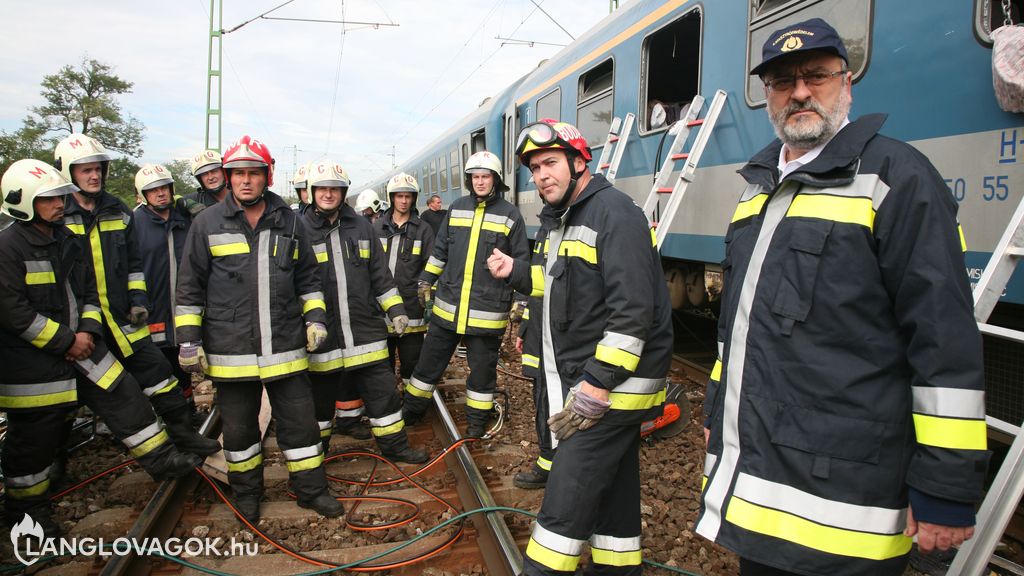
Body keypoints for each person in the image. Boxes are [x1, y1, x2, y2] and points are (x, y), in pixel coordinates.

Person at [696, 19, 989, 576]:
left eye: (817, 76)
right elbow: (738, 327)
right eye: (783, 81)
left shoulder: (897, 179)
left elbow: (943, 339)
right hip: (762, 492)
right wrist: (716, 408)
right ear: (767, 98)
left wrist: (946, 487)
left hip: (848, 505)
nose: (800, 92)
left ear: (847, 84)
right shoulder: (757, 188)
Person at [487, 118, 672, 575]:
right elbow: (561, 287)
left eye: (550, 163)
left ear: (577, 162)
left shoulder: (614, 214)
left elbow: (634, 312)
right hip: (595, 386)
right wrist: (515, 271)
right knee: (614, 497)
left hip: (608, 392)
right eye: (533, 168)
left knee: (563, 507)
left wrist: (597, 384)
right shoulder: (568, 220)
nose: (541, 175)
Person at [0, 160, 201, 536]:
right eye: (50, 199)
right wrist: (66, 341)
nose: (60, 204)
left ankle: (163, 460)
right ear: (22, 202)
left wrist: (88, 331)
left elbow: (90, 291)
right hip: (34, 366)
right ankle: (26, 512)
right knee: (34, 441)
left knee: (125, 394)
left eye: (61, 196)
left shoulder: (65, 239)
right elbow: (13, 312)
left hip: (83, 345)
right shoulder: (8, 247)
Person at [174, 135, 344, 524]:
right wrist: (188, 340)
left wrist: (315, 319)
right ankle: (247, 493)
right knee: (238, 431)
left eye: (253, 173)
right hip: (230, 351)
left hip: (285, 347)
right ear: (227, 178)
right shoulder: (206, 224)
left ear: (267, 176)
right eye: (237, 174)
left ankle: (311, 490)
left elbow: (309, 279)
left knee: (301, 426)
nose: (245, 181)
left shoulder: (291, 223)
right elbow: (189, 287)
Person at [56, 134, 220, 460]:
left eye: (97, 169)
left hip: (122, 317)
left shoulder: (116, 211)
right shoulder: (57, 213)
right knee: (65, 397)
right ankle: (58, 458)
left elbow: (133, 264)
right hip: (76, 323)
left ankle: (184, 434)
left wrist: (138, 300)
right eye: (84, 170)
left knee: (161, 376)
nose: (94, 176)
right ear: (66, 173)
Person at [300, 160, 429, 464]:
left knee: (384, 394)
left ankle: (396, 447)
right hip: (324, 334)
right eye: (322, 189)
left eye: (334, 189)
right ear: (312, 192)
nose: (328, 194)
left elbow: (380, 276)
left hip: (365, 330)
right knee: (319, 405)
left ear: (343, 192)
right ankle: (316, 458)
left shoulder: (362, 227)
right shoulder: (299, 230)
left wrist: (396, 310)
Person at [405, 151, 529, 437]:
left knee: (483, 373)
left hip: (487, 314)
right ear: (469, 179)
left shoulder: (511, 215)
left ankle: (476, 422)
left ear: (495, 180)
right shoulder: (457, 208)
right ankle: (411, 411)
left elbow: (521, 261)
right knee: (427, 365)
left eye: (486, 177)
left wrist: (521, 300)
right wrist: (426, 280)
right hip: (448, 306)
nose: (480, 182)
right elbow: (440, 252)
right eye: (475, 177)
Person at [133, 163, 205, 424]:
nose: (160, 193)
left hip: (186, 305)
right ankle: (165, 415)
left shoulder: (184, 219)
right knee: (159, 364)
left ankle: (188, 411)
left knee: (182, 362)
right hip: (153, 306)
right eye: (153, 190)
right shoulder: (134, 223)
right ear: (143, 194)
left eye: (164, 187)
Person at [374, 173, 435, 393]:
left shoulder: (424, 230)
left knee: (412, 363)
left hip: (412, 311)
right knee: (382, 364)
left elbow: (432, 265)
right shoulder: (377, 228)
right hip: (380, 310)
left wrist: (428, 293)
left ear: (414, 199)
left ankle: (411, 404)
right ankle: (387, 399)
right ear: (392, 198)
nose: (403, 201)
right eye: (399, 196)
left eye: (408, 196)